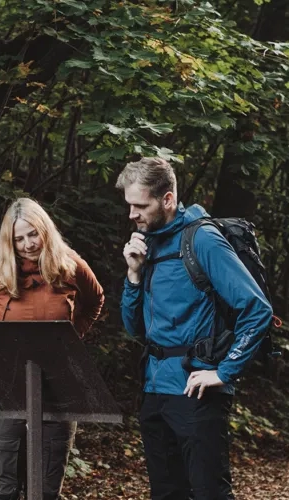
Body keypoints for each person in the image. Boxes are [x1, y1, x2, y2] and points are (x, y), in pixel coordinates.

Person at [116, 157, 273, 500]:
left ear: (167, 200)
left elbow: (257, 308)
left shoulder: (202, 239)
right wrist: (133, 275)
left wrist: (225, 372)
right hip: (155, 390)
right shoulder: (148, 243)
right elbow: (134, 328)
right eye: (129, 205)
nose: (132, 214)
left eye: (140, 205)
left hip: (197, 393)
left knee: (209, 494)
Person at [0, 198, 105, 500]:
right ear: (8, 241)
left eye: (33, 234)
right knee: (0, 492)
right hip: (3, 393)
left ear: (45, 231)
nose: (27, 244)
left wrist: (70, 338)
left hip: (56, 395)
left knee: (43, 493)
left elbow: (95, 301)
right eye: (18, 238)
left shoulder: (70, 265)